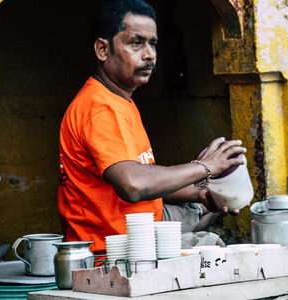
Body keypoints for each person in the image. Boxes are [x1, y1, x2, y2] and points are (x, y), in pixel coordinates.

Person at [58, 0, 247, 255]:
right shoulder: (101, 109)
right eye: (136, 43)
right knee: (214, 249)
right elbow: (134, 185)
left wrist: (202, 192)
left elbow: (144, 174)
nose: (149, 55)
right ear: (103, 49)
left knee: (205, 206)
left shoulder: (120, 100)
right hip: (114, 250)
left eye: (153, 44)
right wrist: (205, 167)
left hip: (140, 226)